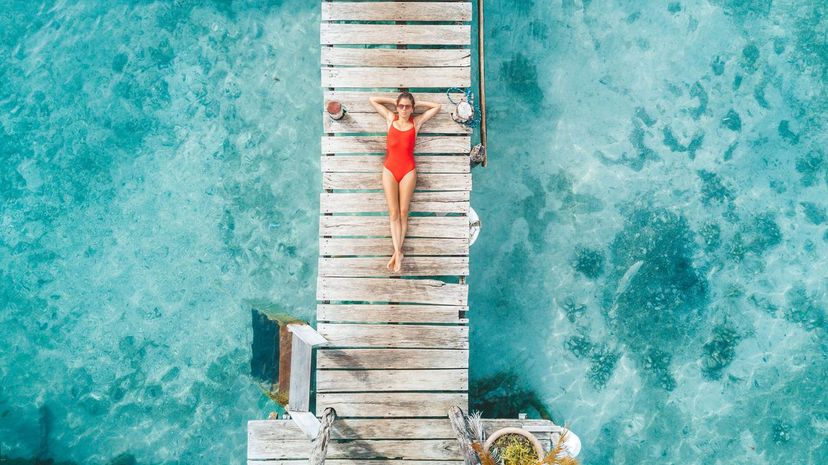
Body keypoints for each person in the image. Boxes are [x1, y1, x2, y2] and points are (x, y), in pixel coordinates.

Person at [368, 92, 441, 273]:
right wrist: (394, 101)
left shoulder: (416, 123)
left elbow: (436, 107)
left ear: (412, 108)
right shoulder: (389, 118)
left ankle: (397, 252)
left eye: (408, 107)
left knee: (403, 212)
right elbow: (372, 100)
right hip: (389, 170)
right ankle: (398, 252)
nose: (404, 109)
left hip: (408, 171)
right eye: (401, 106)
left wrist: (416, 104)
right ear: (396, 107)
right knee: (393, 213)